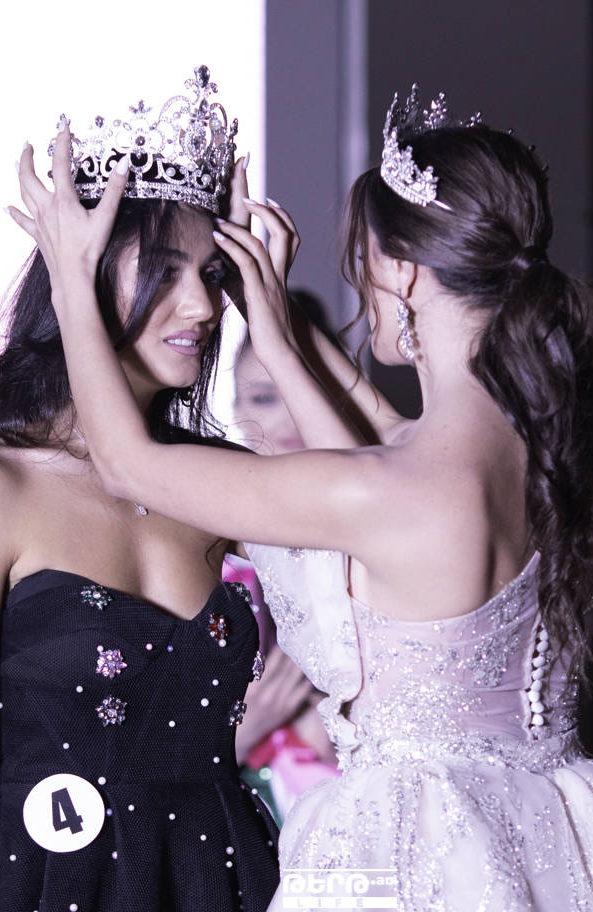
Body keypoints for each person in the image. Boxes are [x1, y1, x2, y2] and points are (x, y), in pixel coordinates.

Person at [21, 87, 593, 910]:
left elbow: (127, 464)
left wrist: (72, 279)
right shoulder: (539, 453)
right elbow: (372, 442)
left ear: (401, 271)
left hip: (413, 849)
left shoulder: (386, 488)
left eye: (361, 262)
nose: (356, 287)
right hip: (554, 835)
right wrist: (274, 325)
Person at [0, 67, 279, 912]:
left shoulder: (220, 484)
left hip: (215, 881)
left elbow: (374, 516)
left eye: (213, 274)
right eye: (165, 270)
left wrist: (277, 322)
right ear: (80, 271)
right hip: (44, 880)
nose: (202, 306)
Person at [228, 306, 341, 821]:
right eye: (264, 397)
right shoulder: (210, 537)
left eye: (305, 388)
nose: (289, 415)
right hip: (240, 809)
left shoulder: (381, 525)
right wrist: (245, 731)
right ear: (236, 408)